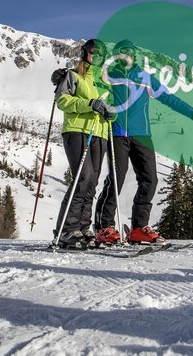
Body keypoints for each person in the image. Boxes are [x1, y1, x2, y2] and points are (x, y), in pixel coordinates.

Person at [94, 39, 193, 244]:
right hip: (118, 132)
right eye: (122, 53)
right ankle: (104, 227)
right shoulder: (109, 75)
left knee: (150, 179)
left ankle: (138, 228)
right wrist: (64, 76)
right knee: (116, 178)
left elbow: (169, 98)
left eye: (130, 53)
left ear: (135, 56)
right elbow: (88, 80)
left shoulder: (146, 78)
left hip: (142, 134)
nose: (126, 56)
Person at [50, 39, 113, 249]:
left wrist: (111, 113)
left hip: (100, 133)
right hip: (77, 131)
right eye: (94, 52)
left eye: (101, 54)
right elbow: (62, 100)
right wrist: (90, 105)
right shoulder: (74, 75)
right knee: (82, 178)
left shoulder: (105, 81)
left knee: (92, 181)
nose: (97, 57)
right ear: (85, 53)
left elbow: (109, 105)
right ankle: (67, 229)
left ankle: (84, 227)